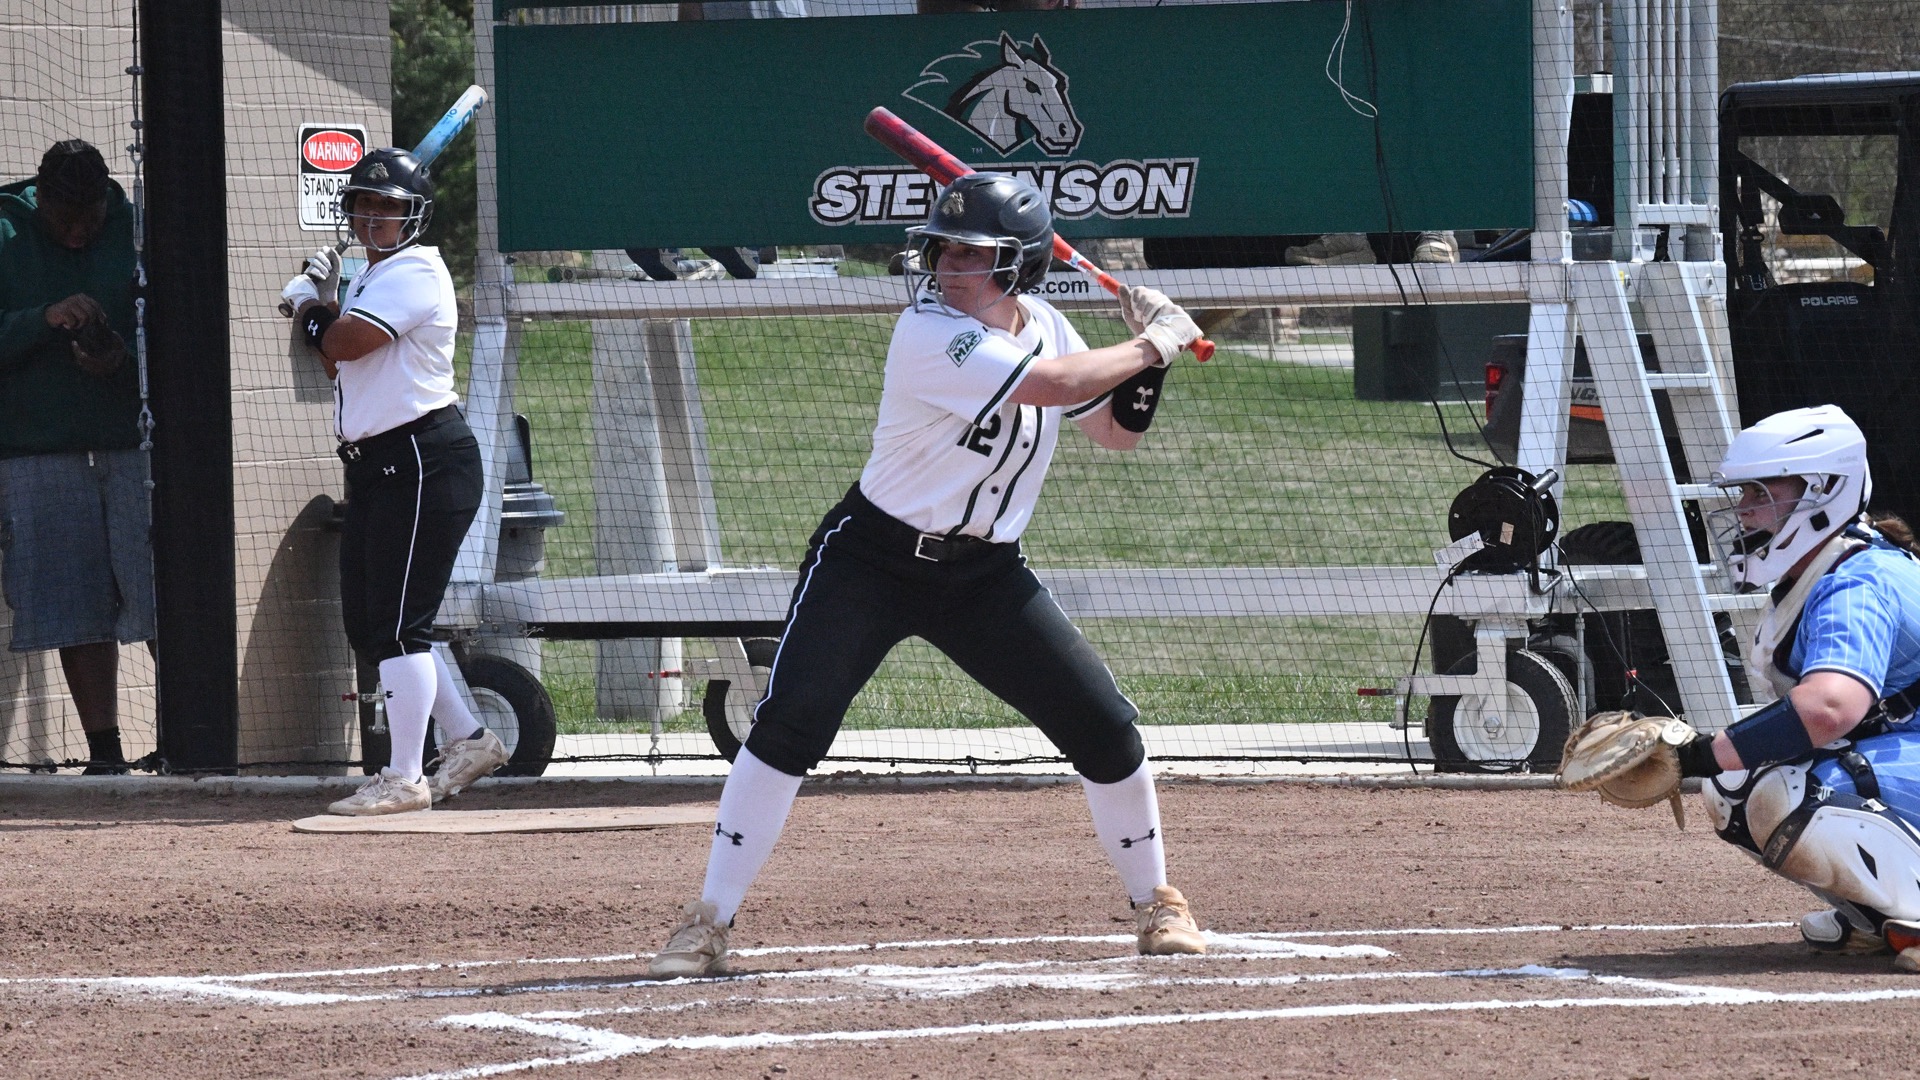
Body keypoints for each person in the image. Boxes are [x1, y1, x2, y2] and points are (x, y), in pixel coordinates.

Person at [647, 172, 1208, 978]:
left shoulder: (1047, 323)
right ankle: (706, 920)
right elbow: (1050, 386)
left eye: (971, 255)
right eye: (942, 250)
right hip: (871, 560)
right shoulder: (926, 332)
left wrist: (1152, 360)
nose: (947, 268)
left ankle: (1159, 902)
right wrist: (1153, 341)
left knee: (1105, 726)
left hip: (984, 574)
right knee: (790, 725)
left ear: (1020, 266)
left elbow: (1115, 432)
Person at [1585, 405, 1920, 971]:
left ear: (1823, 496)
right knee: (1740, 780)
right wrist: (1717, 758)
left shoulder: (1857, 583)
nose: (1744, 512)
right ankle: (1878, 916)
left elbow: (1831, 707)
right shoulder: (1835, 567)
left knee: (1777, 787)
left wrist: (1698, 753)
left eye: (1761, 494)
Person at [280, 147, 510, 815]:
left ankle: (404, 777)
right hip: (382, 465)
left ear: (414, 216)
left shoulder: (415, 273)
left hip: (421, 459)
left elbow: (345, 343)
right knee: (376, 624)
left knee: (400, 626)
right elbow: (338, 366)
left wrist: (310, 310)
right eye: (365, 205)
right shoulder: (368, 280)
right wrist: (319, 303)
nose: (374, 217)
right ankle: (468, 739)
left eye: (389, 207)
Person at [0, 139, 152, 774]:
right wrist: (43, 319)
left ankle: (187, 735)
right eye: (67, 221)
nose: (80, 233)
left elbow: (176, 326)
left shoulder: (137, 224)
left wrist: (118, 357)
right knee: (72, 603)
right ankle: (104, 752)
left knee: (159, 596)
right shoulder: (6, 225)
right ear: (44, 202)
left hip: (133, 449)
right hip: (39, 454)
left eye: (90, 219)